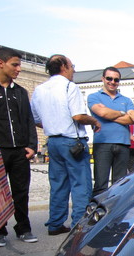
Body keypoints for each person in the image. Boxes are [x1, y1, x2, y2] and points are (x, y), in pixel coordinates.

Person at [31, 54, 101, 235]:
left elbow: (37, 120)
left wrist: (54, 124)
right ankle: (79, 225)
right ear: (63, 66)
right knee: (80, 184)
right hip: (72, 141)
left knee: (58, 184)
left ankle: (55, 223)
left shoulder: (39, 90)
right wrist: (94, 121)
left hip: (53, 141)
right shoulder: (69, 86)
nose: (74, 70)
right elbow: (78, 116)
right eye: (72, 66)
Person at [0, 47, 38, 247]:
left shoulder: (20, 91)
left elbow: (28, 120)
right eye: (15, 64)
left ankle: (24, 229)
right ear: (1, 63)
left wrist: (32, 145)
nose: (19, 69)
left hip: (19, 150)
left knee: (21, 191)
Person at [87, 66, 134, 195]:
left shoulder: (126, 100)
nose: (112, 82)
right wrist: (122, 113)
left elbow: (132, 119)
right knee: (100, 184)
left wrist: (108, 114)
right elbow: (102, 113)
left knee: (119, 184)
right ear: (103, 79)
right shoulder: (94, 97)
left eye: (116, 80)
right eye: (109, 78)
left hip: (123, 144)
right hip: (102, 144)